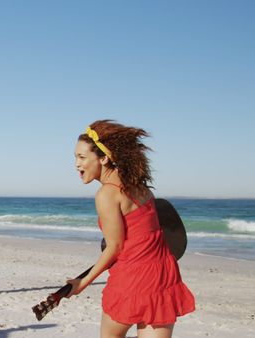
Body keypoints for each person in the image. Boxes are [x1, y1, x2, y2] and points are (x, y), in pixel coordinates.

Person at [67, 120, 195, 338]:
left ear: (104, 158)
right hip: (162, 277)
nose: (76, 164)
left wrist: (82, 282)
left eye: (81, 157)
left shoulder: (107, 194)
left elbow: (115, 246)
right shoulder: (141, 188)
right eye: (75, 157)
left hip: (131, 281)